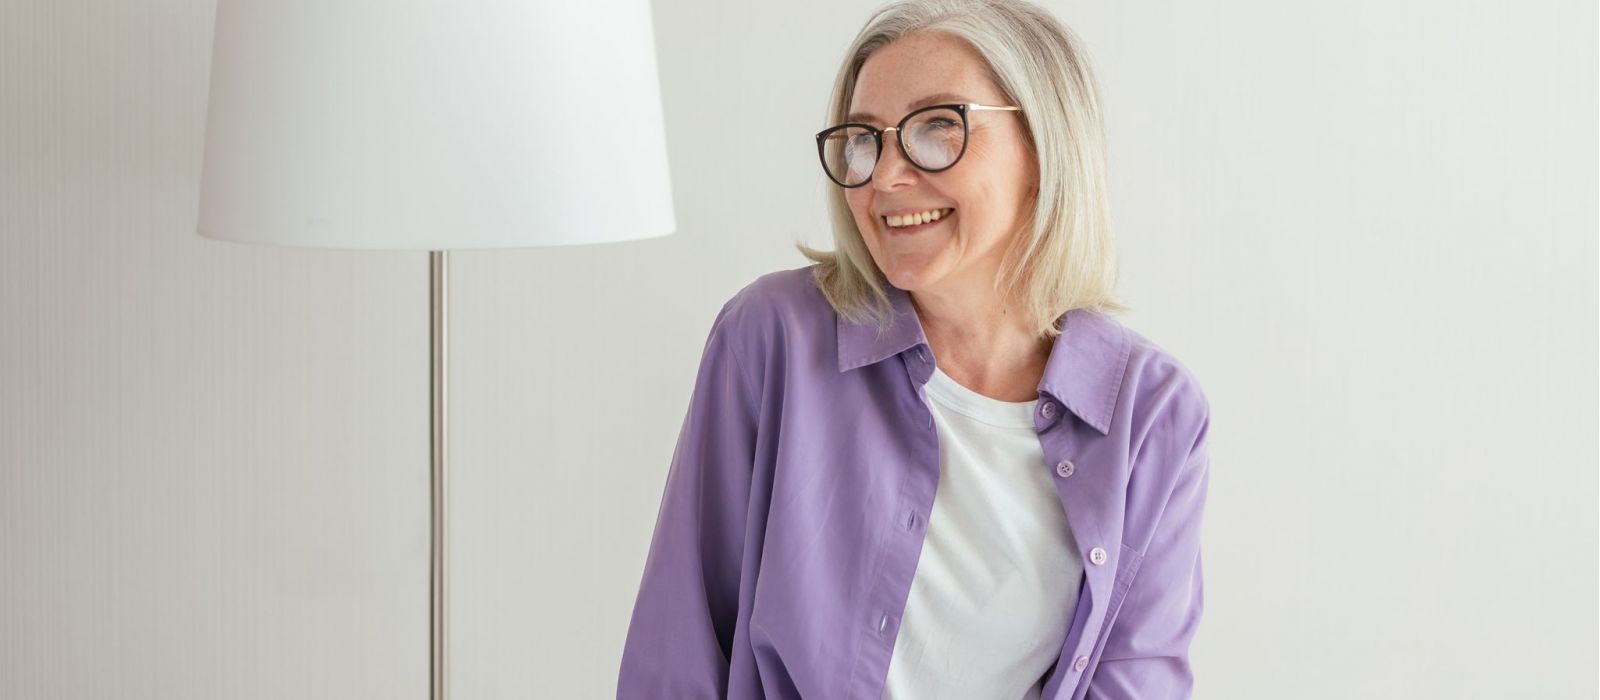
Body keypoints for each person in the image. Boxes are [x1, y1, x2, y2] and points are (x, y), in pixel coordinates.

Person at [618, 1, 1211, 698]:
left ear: (1044, 145)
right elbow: (678, 646)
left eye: (937, 128)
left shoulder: (1152, 409)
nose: (886, 177)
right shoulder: (772, 339)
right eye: (865, 139)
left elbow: (1136, 677)